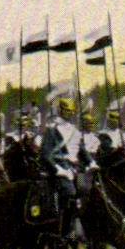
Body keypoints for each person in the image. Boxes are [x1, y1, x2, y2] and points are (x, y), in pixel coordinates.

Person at [38, 88, 86, 241]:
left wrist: (91, 163)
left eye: (71, 111)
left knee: (91, 189)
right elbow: (46, 155)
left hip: (73, 169)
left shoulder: (75, 131)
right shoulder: (51, 131)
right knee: (69, 193)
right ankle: (65, 231)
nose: (70, 114)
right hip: (57, 170)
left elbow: (81, 151)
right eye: (66, 111)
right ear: (60, 111)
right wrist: (58, 169)